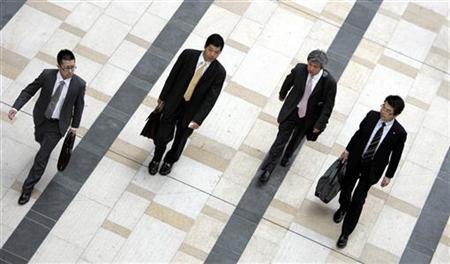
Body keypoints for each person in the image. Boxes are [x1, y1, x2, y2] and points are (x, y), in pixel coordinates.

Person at [8, 49, 86, 205]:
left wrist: (74, 126)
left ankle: (27, 188)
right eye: (67, 68)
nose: (70, 71)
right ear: (58, 66)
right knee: (39, 139)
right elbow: (29, 91)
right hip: (41, 119)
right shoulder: (47, 75)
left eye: (73, 67)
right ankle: (43, 145)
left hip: (58, 125)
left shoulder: (79, 84)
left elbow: (79, 106)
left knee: (41, 157)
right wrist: (16, 107)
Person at [334, 95, 407, 249]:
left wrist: (389, 175)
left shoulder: (399, 133)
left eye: (387, 111)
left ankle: (345, 233)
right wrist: (348, 150)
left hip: (373, 169)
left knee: (359, 199)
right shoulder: (372, 115)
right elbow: (358, 133)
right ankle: (343, 207)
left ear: (395, 114)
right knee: (346, 186)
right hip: (356, 159)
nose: (383, 111)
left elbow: (396, 155)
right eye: (383, 106)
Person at [148, 34, 226, 176]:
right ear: (205, 47)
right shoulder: (187, 55)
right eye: (210, 50)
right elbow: (173, 76)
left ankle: (170, 160)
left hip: (192, 110)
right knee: (161, 135)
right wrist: (163, 97)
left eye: (216, 52)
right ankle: (156, 158)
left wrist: (198, 119)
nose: (212, 54)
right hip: (174, 102)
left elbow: (211, 99)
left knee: (181, 137)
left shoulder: (219, 72)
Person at [258, 49, 337, 183]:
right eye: (310, 65)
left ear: (321, 68)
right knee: (280, 140)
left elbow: (327, 107)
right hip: (292, 111)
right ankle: (268, 169)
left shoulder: (329, 82)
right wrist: (282, 94)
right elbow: (289, 81)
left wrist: (320, 124)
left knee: (296, 139)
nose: (311, 69)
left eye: (315, 67)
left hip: (308, 117)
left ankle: (287, 156)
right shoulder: (300, 69)